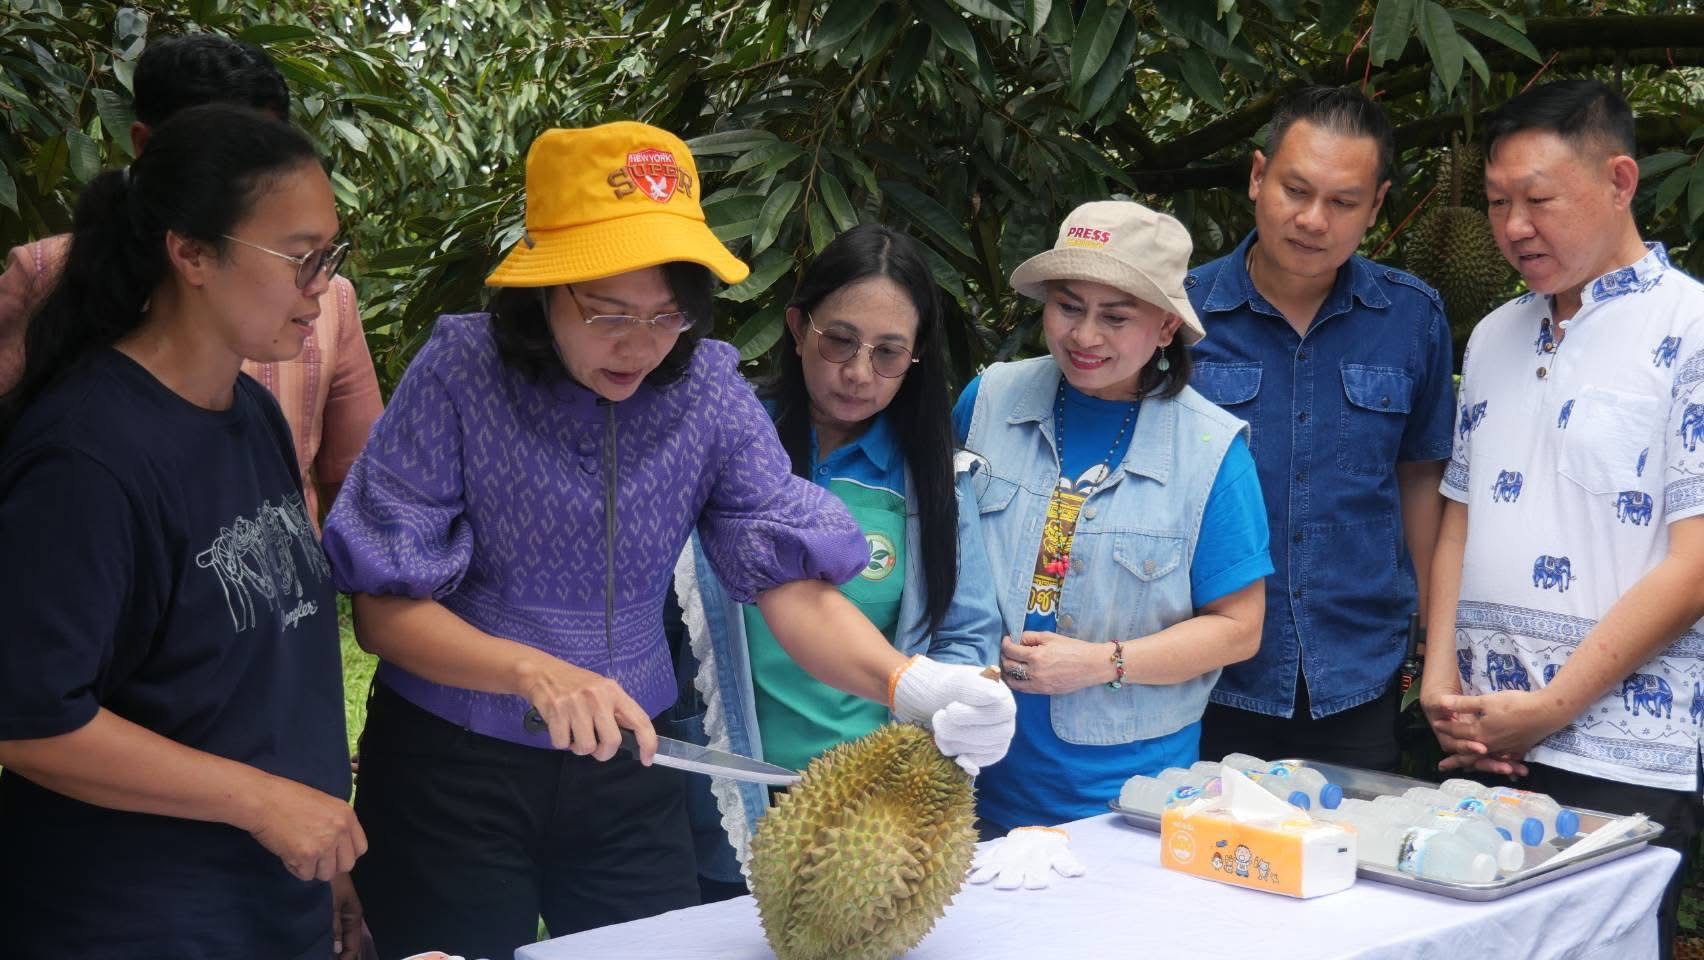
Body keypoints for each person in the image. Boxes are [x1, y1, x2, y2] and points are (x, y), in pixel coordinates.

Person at [319, 121, 1016, 960]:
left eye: (666, 316)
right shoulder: (461, 371)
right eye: (609, 313)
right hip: (451, 767)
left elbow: (787, 583)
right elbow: (383, 611)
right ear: (545, 287)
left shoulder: (708, 393)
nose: (641, 347)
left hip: (631, 763)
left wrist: (909, 684)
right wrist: (533, 672)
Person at [0, 104, 363, 959]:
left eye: (331, 257)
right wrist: (261, 801)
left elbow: (274, 672)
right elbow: (27, 720)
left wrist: (324, 853)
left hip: (270, 902)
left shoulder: (252, 414)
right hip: (133, 919)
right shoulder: (86, 457)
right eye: (301, 259)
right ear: (191, 253)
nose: (323, 288)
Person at [1420, 79, 1704, 960]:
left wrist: (1551, 707)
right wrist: (1436, 680)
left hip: (1626, 749)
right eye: (1499, 202)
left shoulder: (1692, 326)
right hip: (1480, 734)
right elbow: (1457, 519)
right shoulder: (1494, 334)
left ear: (1621, 180)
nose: (1512, 227)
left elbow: (1696, 562)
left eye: (1539, 200)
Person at [672, 224, 1003, 895]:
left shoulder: (934, 479)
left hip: (873, 817)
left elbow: (966, 636)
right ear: (797, 328)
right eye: (839, 340)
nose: (857, 373)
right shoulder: (726, 442)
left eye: (888, 354)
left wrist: (953, 725)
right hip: (723, 799)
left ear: (916, 360)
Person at [954, 200, 1271, 839]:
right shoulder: (986, 400)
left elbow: (1240, 629)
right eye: (1068, 306)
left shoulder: (1211, 452)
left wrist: (1103, 662)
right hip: (966, 776)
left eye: (1115, 317)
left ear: (1163, 328)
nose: (1084, 336)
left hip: (1124, 798)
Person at [0, 33, 382, 527]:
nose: (248, 188)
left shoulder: (272, 388)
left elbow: (359, 495)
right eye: (217, 158)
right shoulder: (82, 449)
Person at [1187, 86, 1455, 771]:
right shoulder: (1179, 316)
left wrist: (1433, 635)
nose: (1312, 220)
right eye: (1295, 190)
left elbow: (1420, 477)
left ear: (1376, 206)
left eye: (1342, 202)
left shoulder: (1412, 318)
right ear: (1256, 177)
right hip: (1204, 669)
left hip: (1357, 671)